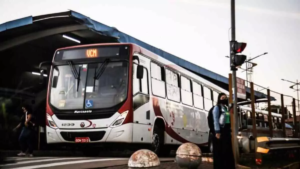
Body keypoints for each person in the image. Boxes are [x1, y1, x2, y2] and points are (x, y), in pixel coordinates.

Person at [212, 93, 235, 169]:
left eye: (225, 97)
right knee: (222, 150)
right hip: (221, 130)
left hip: (227, 130)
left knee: (227, 149)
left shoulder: (226, 108)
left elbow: (229, 117)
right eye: (222, 97)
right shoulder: (217, 108)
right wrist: (217, 131)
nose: (224, 99)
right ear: (219, 98)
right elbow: (215, 120)